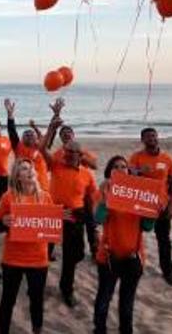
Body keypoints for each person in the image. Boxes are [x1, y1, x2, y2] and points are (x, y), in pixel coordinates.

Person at [38, 122, 99, 308]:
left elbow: (92, 198)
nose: (71, 155)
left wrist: (94, 221)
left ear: (81, 156)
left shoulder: (87, 174)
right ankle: (39, 286)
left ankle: (66, 289)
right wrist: (51, 127)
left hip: (75, 215)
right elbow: (41, 147)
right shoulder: (56, 164)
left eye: (75, 153)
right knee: (43, 253)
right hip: (54, 213)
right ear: (64, 153)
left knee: (74, 255)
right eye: (68, 152)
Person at [92, 156, 154, 334]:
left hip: (133, 256)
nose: (120, 169)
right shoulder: (103, 190)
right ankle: (99, 329)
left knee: (127, 302)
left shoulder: (138, 193)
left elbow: (147, 227)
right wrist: (105, 202)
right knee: (104, 298)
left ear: (129, 171)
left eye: (124, 167)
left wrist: (152, 214)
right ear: (109, 172)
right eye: (116, 166)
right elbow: (98, 219)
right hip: (108, 256)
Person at [0, 159, 53, 334]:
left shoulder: (45, 197)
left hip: (38, 260)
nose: (29, 171)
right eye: (24, 169)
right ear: (17, 176)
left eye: (30, 168)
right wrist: (4, 222)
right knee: (8, 300)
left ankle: (37, 330)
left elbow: (51, 227)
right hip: (13, 259)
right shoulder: (8, 196)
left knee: (37, 300)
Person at [130, 127, 172, 286]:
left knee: (164, 240)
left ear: (158, 138)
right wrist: (138, 172)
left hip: (161, 206)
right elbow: (127, 175)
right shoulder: (136, 157)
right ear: (142, 140)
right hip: (141, 204)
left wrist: (171, 205)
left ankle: (168, 272)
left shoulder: (167, 158)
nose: (152, 138)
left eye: (154, 135)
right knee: (135, 237)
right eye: (148, 136)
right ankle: (135, 266)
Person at [4, 99, 49, 191]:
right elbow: (12, 131)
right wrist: (10, 115)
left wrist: (35, 127)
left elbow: (49, 135)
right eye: (26, 135)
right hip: (22, 187)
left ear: (36, 138)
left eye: (31, 134)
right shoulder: (18, 146)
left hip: (41, 186)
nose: (29, 136)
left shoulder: (41, 147)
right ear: (22, 138)